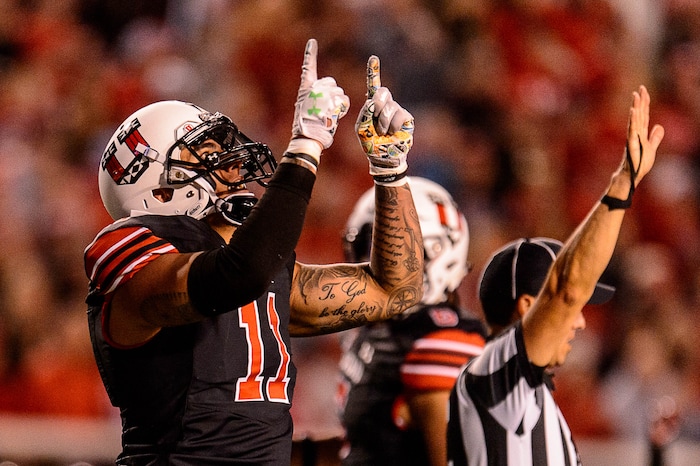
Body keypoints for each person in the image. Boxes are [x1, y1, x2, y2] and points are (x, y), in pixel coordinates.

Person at [84, 38, 424, 465]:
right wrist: (305, 145)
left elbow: (396, 293)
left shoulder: (256, 270)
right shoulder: (134, 260)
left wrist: (390, 170)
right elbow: (236, 276)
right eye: (208, 155)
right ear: (160, 188)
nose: (232, 166)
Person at [447, 84, 665, 465]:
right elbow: (565, 288)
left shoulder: (526, 393)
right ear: (528, 306)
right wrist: (622, 184)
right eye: (574, 307)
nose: (580, 321)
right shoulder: (498, 373)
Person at [338, 176, 488, 466]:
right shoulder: (381, 332)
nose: (373, 262)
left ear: (433, 253)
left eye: (389, 250)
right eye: (370, 248)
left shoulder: (441, 339)